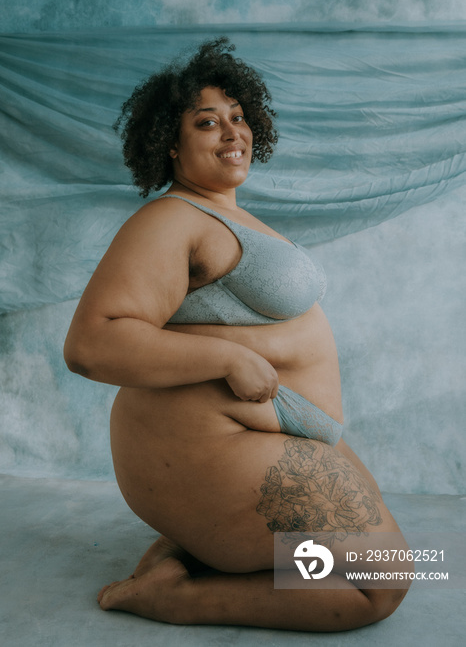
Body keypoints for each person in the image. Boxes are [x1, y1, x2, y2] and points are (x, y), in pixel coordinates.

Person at [64, 38, 411, 631]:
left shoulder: (225, 212)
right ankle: (173, 599)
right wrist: (225, 357)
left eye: (238, 117)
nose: (232, 132)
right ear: (170, 144)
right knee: (384, 581)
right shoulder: (170, 217)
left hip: (280, 428)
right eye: (207, 123)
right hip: (213, 439)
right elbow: (92, 344)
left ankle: (183, 555)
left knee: (398, 554)